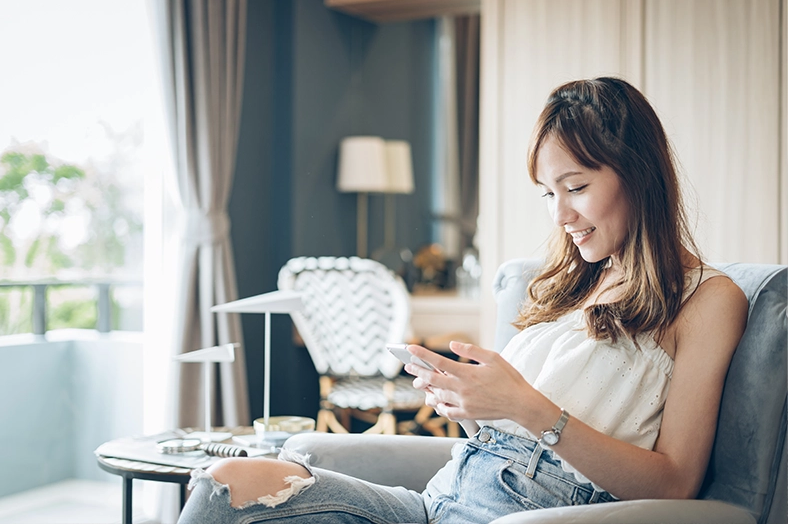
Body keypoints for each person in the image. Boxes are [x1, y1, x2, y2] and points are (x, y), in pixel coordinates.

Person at [176, 77, 748, 524]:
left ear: (639, 175)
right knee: (224, 481)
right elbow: (508, 430)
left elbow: (677, 483)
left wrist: (526, 406)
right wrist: (471, 402)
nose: (561, 215)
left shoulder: (706, 299)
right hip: (438, 500)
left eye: (576, 188)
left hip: (529, 512)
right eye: (549, 194)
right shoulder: (577, 284)